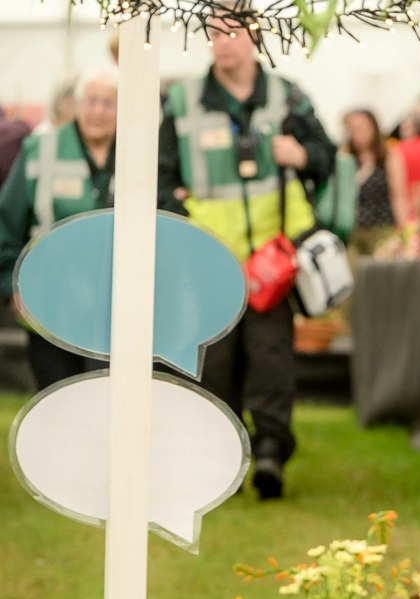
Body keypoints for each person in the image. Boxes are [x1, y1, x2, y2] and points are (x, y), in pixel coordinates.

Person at [158, 8, 336, 499]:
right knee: (214, 365)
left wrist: (301, 155)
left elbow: (327, 155)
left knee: (271, 360)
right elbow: (160, 177)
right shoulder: (180, 102)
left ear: (253, 36)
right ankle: (223, 461)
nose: (223, 42)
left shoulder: (287, 96)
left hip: (270, 265)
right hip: (210, 264)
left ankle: (272, 453)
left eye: (231, 31)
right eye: (213, 32)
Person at [0, 66, 118, 389]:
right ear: (76, 106)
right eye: (91, 101)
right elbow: (6, 221)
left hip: (115, 308)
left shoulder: (141, 155)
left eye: (109, 103)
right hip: (49, 302)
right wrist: (11, 285)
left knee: (105, 399)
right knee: (56, 396)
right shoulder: (41, 149)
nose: (98, 111)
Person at [340, 109, 407, 255]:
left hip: (382, 229)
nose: (357, 133)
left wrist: (404, 232)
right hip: (353, 232)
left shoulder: (388, 157)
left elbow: (398, 196)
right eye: (352, 128)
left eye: (362, 127)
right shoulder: (344, 158)